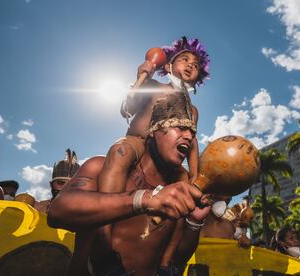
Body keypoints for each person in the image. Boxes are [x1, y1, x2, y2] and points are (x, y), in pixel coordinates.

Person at [48, 93, 211, 276]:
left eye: (193, 132)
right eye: (181, 127)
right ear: (154, 129)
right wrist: (145, 200)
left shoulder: (178, 191)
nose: (189, 136)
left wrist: (195, 223)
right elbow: (57, 213)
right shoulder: (100, 168)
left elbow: (178, 259)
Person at [98, 37, 210, 202]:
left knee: (184, 180)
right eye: (184, 59)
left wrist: (194, 175)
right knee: (121, 152)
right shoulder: (154, 86)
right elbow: (127, 109)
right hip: (138, 142)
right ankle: (105, 209)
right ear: (167, 66)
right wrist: (141, 80)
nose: (191, 65)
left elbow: (191, 141)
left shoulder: (193, 111)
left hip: (168, 153)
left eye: (196, 65)